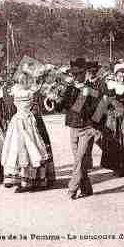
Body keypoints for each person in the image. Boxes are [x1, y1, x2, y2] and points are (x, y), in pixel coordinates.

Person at [51, 58, 100, 199]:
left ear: (85, 73)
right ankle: (87, 188)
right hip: (73, 127)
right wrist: (55, 98)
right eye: (73, 74)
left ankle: (71, 189)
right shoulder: (69, 88)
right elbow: (60, 107)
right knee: (80, 161)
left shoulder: (92, 89)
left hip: (87, 128)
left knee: (79, 159)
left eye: (78, 74)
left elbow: (95, 109)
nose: (75, 77)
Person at [2, 70, 52, 193]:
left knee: (32, 149)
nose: (23, 82)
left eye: (26, 80)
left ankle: (33, 179)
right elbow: (8, 106)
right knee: (17, 148)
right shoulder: (14, 92)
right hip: (17, 122)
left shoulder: (33, 93)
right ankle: (19, 179)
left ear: (30, 81)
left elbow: (41, 105)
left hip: (30, 122)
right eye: (21, 80)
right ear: (18, 81)